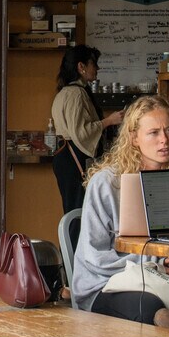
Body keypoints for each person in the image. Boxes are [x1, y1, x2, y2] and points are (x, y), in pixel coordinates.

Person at [69, 96, 169, 328]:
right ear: (134, 138)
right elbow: (94, 256)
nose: (164, 140)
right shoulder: (106, 183)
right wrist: (153, 265)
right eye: (154, 132)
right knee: (148, 306)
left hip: (161, 279)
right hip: (104, 285)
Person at [48, 44, 122, 217]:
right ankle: (75, 245)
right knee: (79, 211)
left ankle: (70, 244)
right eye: (93, 64)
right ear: (81, 67)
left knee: (74, 211)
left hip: (67, 156)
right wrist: (109, 121)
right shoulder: (76, 94)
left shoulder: (66, 92)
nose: (97, 68)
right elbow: (81, 133)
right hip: (74, 157)